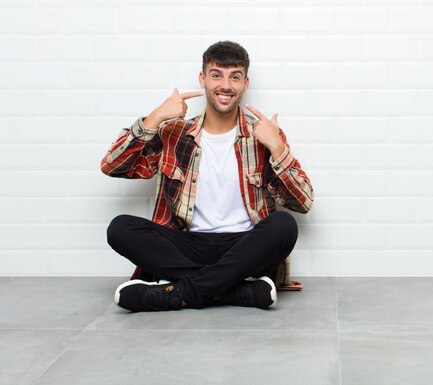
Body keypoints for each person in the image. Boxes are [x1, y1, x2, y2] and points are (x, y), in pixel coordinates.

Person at [101, 41, 314, 312]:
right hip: (188, 244)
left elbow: (304, 203)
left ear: (245, 83)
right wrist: (155, 117)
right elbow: (112, 165)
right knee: (120, 228)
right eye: (216, 75)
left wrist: (277, 147)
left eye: (234, 76)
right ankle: (236, 291)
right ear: (203, 79)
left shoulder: (264, 135)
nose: (225, 85)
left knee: (284, 225)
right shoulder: (173, 133)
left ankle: (178, 292)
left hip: (244, 246)